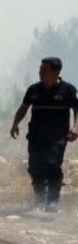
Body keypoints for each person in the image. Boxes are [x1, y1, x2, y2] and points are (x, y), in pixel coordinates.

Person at [9, 57, 78, 212]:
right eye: (40, 70)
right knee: (35, 167)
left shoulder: (68, 90)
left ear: (55, 72)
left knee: (52, 165)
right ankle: (40, 200)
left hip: (58, 137)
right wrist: (15, 124)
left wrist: (75, 128)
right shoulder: (34, 90)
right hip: (35, 136)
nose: (40, 73)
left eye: (44, 70)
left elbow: (77, 109)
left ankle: (52, 202)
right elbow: (23, 108)